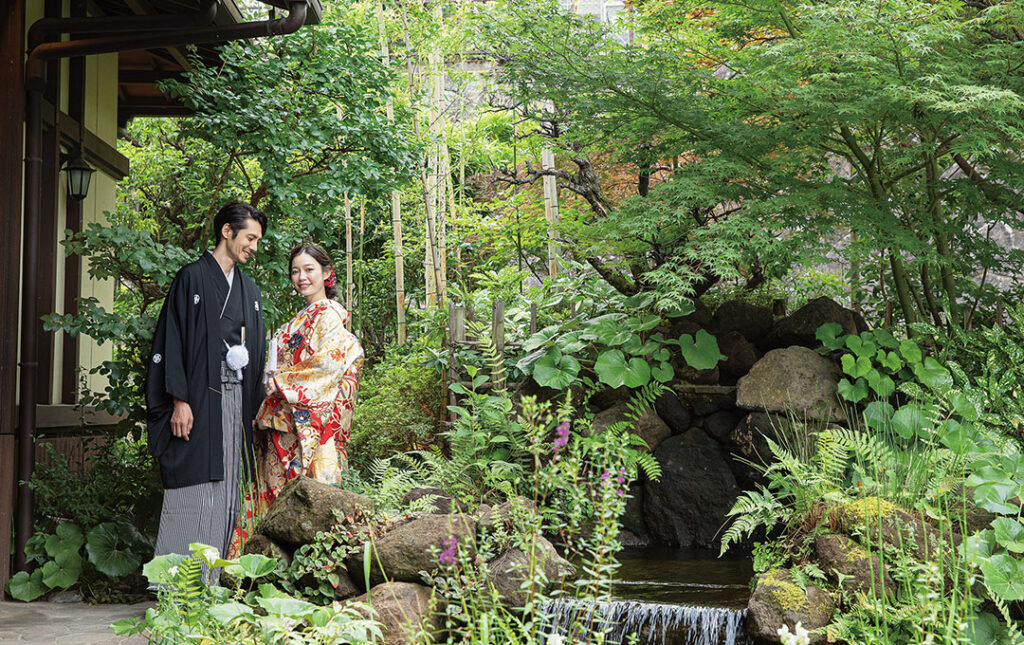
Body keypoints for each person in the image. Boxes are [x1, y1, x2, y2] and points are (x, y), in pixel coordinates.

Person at [146, 202, 268, 571]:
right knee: (195, 481)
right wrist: (179, 400)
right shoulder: (192, 278)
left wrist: (255, 409)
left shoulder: (250, 290)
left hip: (237, 399)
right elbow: (173, 340)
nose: (254, 247)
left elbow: (257, 349)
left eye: (258, 241)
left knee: (229, 483)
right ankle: (176, 583)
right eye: (250, 238)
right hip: (198, 396)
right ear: (227, 232)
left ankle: (211, 582)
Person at [254, 243, 364, 506]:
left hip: (307, 420)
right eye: (295, 271)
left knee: (304, 501)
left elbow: (328, 364)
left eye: (309, 269)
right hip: (284, 419)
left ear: (327, 273)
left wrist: (281, 383)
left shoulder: (328, 314)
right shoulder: (297, 320)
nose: (301, 277)